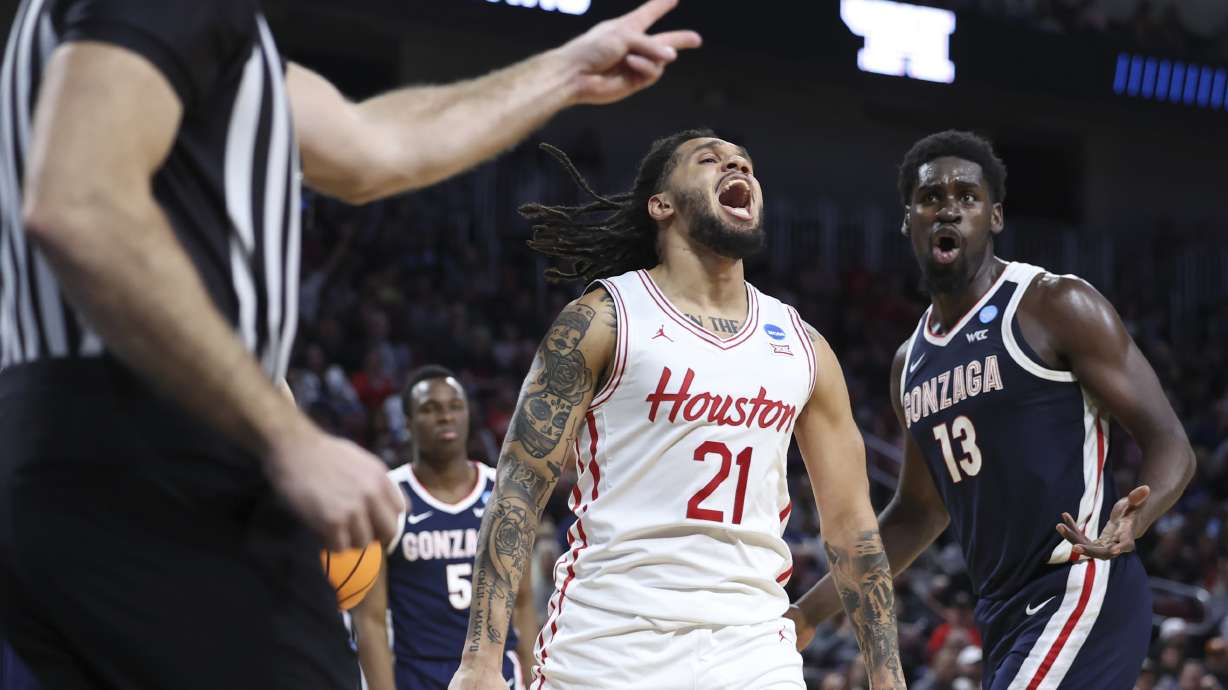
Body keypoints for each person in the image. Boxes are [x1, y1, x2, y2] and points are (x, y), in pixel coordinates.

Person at [0, 0, 699, 688]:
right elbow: (79, 205)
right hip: (152, 456)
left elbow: (373, 146)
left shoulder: (192, 40)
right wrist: (287, 439)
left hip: (65, 456)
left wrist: (565, 71)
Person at [450, 130, 907, 690]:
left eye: (744, 161)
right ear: (661, 204)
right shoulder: (603, 319)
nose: (735, 165)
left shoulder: (803, 346)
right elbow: (519, 489)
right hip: (607, 648)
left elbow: (853, 529)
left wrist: (889, 680)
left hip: (753, 653)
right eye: (709, 160)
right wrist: (480, 661)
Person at [788, 130, 1196, 689]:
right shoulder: (910, 361)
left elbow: (1170, 442)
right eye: (931, 198)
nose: (948, 208)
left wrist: (1138, 517)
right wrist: (806, 614)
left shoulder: (1054, 304)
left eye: (967, 196)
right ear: (909, 221)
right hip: (1001, 613)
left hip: (1077, 587)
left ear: (995, 217)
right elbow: (916, 513)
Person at [355, 365, 536, 690]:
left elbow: (522, 602)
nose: (445, 417)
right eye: (430, 409)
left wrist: (535, 678)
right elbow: (370, 620)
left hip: (496, 674)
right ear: (408, 423)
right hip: (418, 675)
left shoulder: (504, 492)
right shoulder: (387, 497)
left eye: (455, 406)